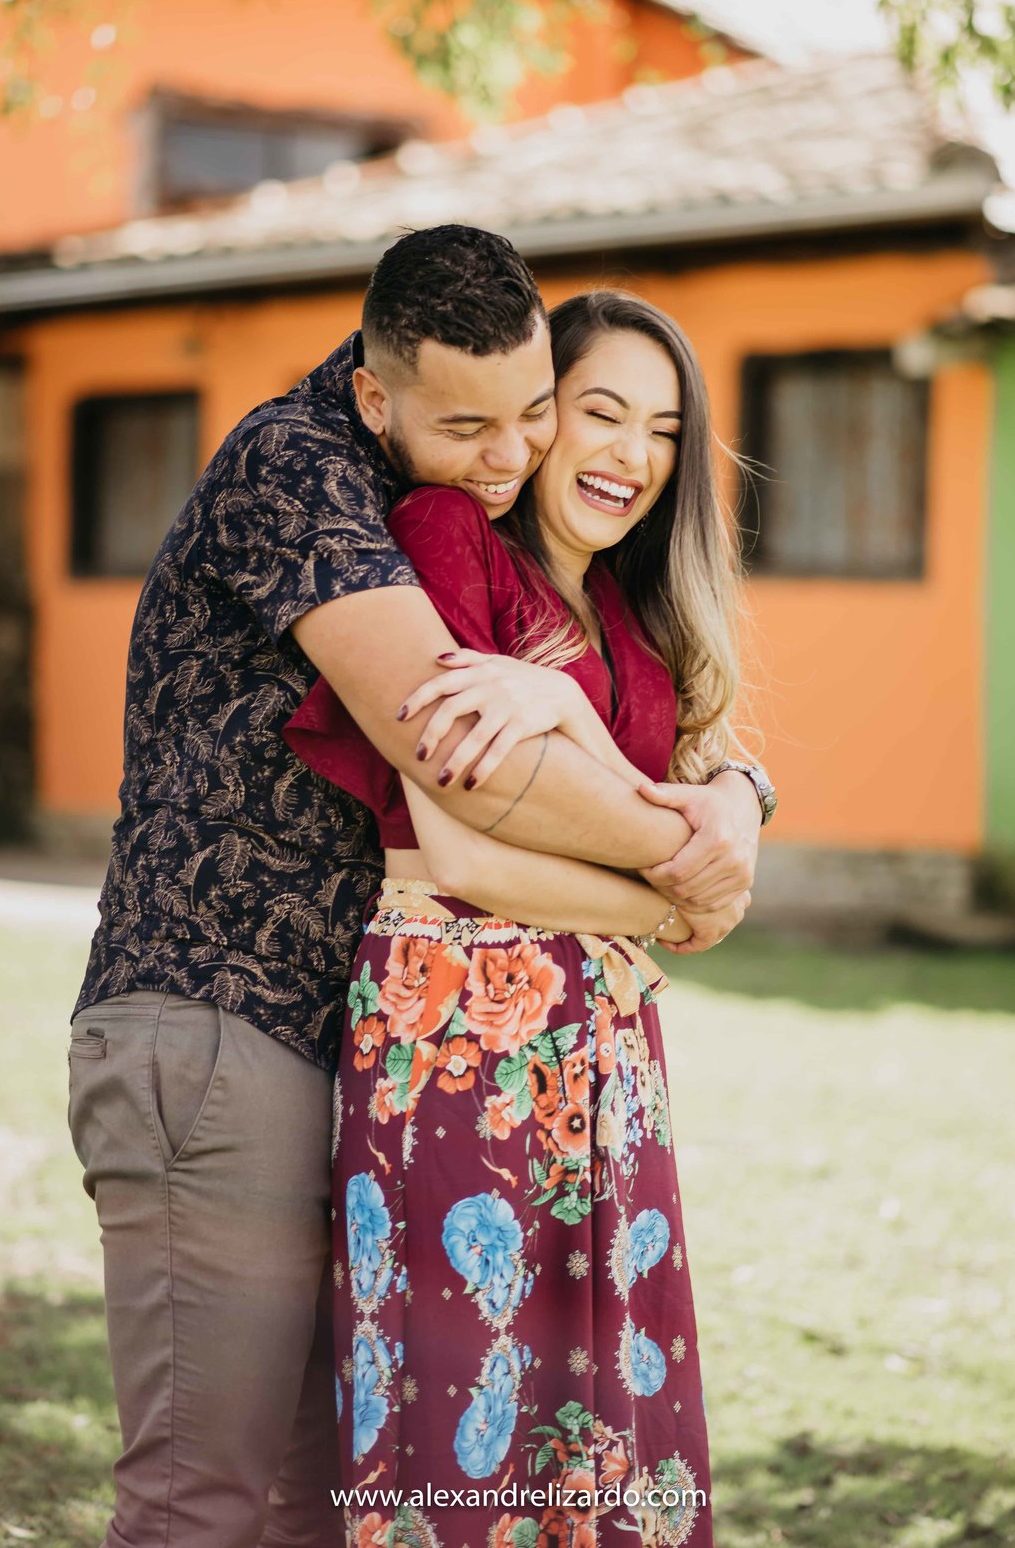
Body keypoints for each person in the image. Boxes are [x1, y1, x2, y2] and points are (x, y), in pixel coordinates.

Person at [66, 226, 774, 1548]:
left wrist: (739, 793)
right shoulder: (305, 473)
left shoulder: (482, 507)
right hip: (219, 1017)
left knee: (306, 1503)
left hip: (330, 1034)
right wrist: (685, 868)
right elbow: (456, 759)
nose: (513, 456)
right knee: (201, 1501)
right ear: (380, 395)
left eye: (534, 414)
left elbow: (652, 732)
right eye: (475, 425)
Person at [285, 290, 759, 1546]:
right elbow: (452, 843)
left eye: (663, 431)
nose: (631, 456)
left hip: (609, 1060)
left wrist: (710, 784)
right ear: (536, 420)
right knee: (468, 1411)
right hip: (462, 1040)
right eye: (599, 411)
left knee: (609, 1408)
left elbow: (685, 816)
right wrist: (660, 902)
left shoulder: (637, 625)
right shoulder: (447, 537)